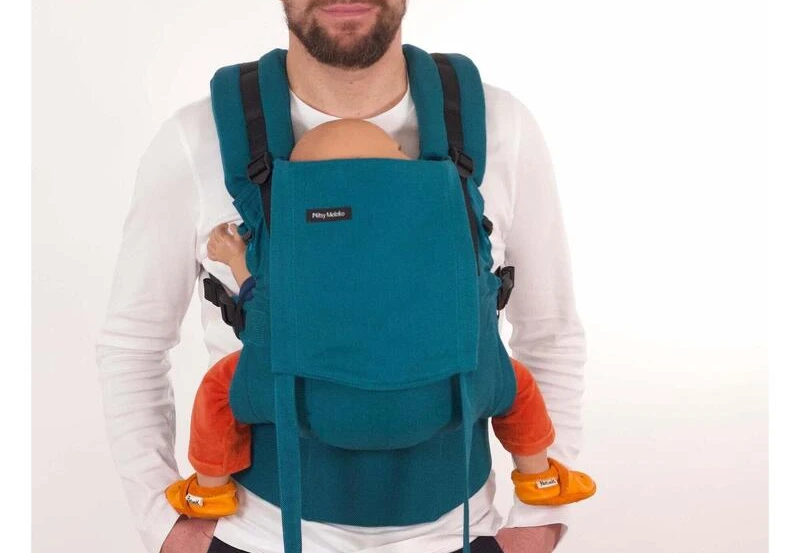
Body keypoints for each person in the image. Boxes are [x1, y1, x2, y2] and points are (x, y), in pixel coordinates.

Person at [97, 0, 589, 553]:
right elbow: (132, 344)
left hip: (464, 550)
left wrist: (535, 533)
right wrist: (168, 534)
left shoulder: (498, 128)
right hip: (255, 550)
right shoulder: (198, 141)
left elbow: (551, 332)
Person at [163, 119, 595, 519]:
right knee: (517, 385)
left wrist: (235, 258)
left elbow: (260, 301)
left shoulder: (299, 250)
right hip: (441, 392)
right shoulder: (435, 234)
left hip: (303, 396)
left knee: (218, 392)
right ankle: (538, 476)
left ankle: (209, 490)